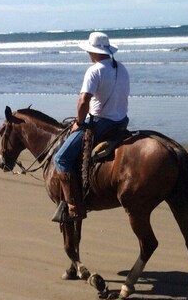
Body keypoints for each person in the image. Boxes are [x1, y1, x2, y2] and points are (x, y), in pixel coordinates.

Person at [51, 31, 130, 222]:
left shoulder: (94, 70)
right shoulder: (121, 68)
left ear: (92, 52)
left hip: (101, 123)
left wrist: (78, 123)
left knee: (61, 158)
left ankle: (73, 206)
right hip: (121, 122)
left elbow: (83, 101)